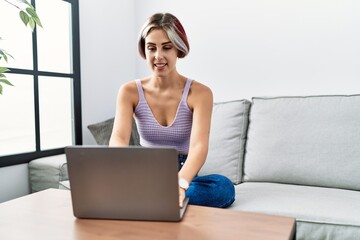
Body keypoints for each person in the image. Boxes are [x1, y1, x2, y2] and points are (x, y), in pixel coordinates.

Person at [109, 13, 235, 208]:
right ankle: (160, 197)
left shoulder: (200, 93)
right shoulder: (129, 91)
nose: (158, 56)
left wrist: (180, 184)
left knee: (223, 189)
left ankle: (151, 197)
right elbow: (118, 139)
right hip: (146, 169)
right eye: (151, 48)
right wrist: (121, 170)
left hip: (184, 173)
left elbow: (199, 147)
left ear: (178, 49)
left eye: (166, 47)